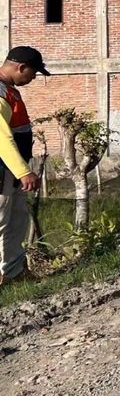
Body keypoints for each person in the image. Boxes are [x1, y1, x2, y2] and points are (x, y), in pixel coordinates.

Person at [0, 47, 46, 285]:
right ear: (21, 67)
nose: (33, 78)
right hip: (4, 171)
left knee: (16, 220)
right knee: (1, 222)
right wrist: (23, 171)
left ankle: (14, 273)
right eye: (33, 72)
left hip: (10, 172)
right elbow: (1, 137)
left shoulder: (9, 91)